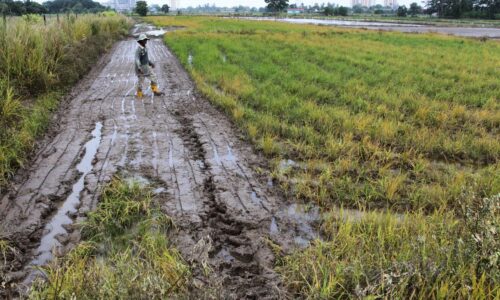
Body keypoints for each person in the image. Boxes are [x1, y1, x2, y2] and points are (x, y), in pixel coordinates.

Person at [135, 33, 162, 98]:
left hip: (146, 66)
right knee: (141, 81)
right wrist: (139, 67)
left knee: (154, 77)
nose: (146, 41)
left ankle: (155, 90)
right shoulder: (138, 50)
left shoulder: (145, 48)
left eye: (146, 40)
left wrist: (150, 63)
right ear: (140, 41)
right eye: (144, 40)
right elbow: (137, 59)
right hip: (141, 68)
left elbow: (146, 58)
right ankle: (139, 93)